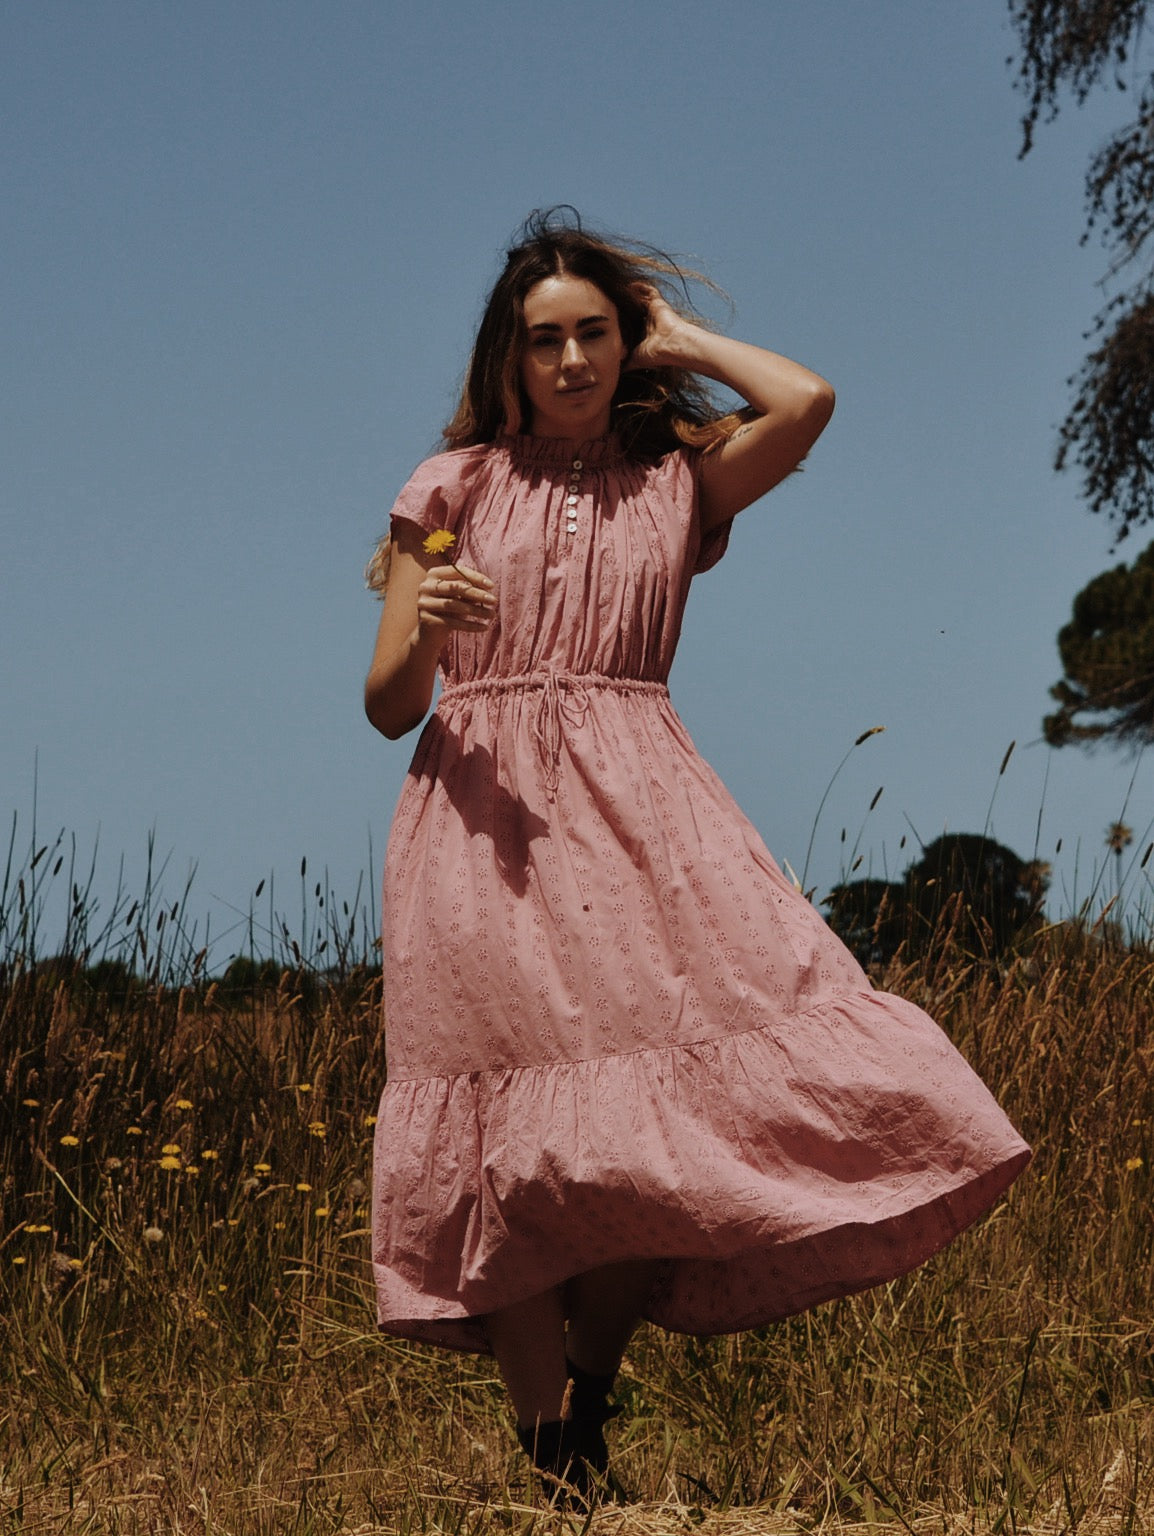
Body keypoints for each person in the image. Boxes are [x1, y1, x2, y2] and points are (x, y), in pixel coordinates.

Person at [364, 211, 1030, 1502]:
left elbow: (807, 401)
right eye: (544, 338)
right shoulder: (446, 492)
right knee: (509, 1144)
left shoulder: (680, 479)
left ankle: (591, 1390)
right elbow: (390, 706)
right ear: (507, 355)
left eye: (593, 333)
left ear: (625, 344)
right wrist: (427, 626)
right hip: (479, 827)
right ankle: (553, 1456)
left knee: (637, 1136)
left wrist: (680, 335)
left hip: (644, 813)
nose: (570, 359)